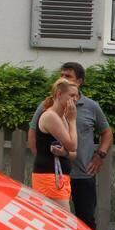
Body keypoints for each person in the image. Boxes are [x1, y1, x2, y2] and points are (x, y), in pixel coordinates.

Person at [28, 62, 113, 230]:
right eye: (62, 75)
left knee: (86, 218)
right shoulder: (49, 109)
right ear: (59, 93)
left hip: (81, 172)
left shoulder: (90, 106)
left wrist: (100, 155)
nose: (63, 78)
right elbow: (33, 134)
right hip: (53, 175)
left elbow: (106, 133)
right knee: (57, 224)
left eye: (68, 76)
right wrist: (44, 156)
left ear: (79, 81)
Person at [31, 78, 78, 210]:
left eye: (77, 96)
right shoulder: (50, 116)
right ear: (59, 94)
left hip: (60, 177)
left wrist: (64, 152)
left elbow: (74, 153)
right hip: (49, 176)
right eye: (72, 95)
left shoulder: (62, 117)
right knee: (63, 222)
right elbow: (72, 145)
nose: (75, 99)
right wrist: (73, 121)